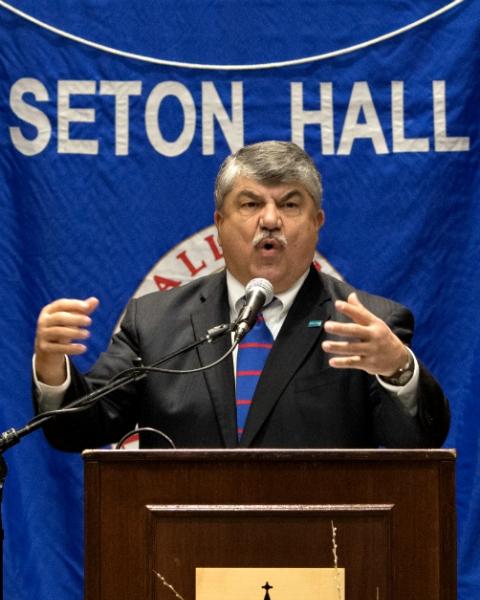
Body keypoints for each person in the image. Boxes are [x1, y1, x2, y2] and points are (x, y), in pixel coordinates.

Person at [33, 141, 450, 450]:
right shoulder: (155, 322)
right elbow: (79, 430)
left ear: (317, 222)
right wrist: (53, 370)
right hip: (183, 555)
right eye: (250, 204)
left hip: (322, 558)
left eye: (289, 205)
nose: (270, 220)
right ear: (219, 222)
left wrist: (398, 370)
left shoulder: (366, 325)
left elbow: (416, 445)